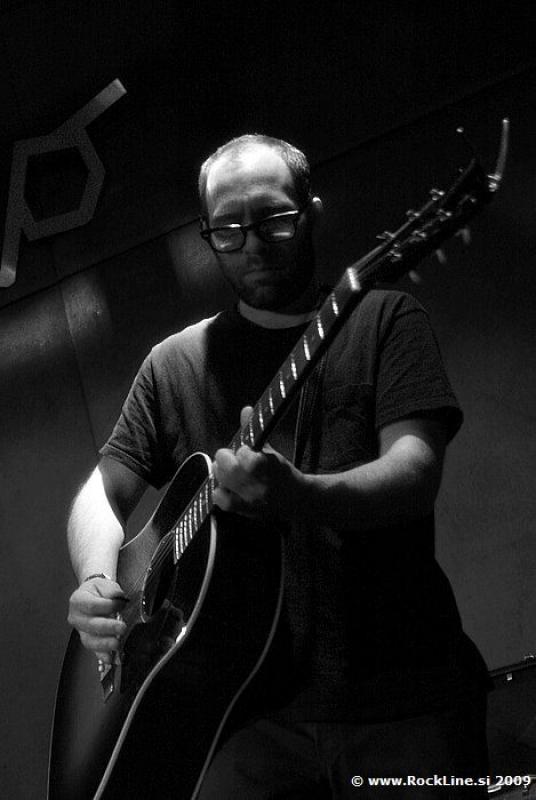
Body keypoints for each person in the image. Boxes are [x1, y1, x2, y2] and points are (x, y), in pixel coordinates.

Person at [67, 134, 490, 798]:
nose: (253, 244)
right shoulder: (175, 364)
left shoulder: (383, 318)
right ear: (208, 235)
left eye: (274, 219)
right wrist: (97, 577)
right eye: (228, 230)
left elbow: (415, 471)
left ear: (311, 210)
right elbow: (100, 491)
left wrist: (300, 494)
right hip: (241, 719)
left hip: (405, 697)